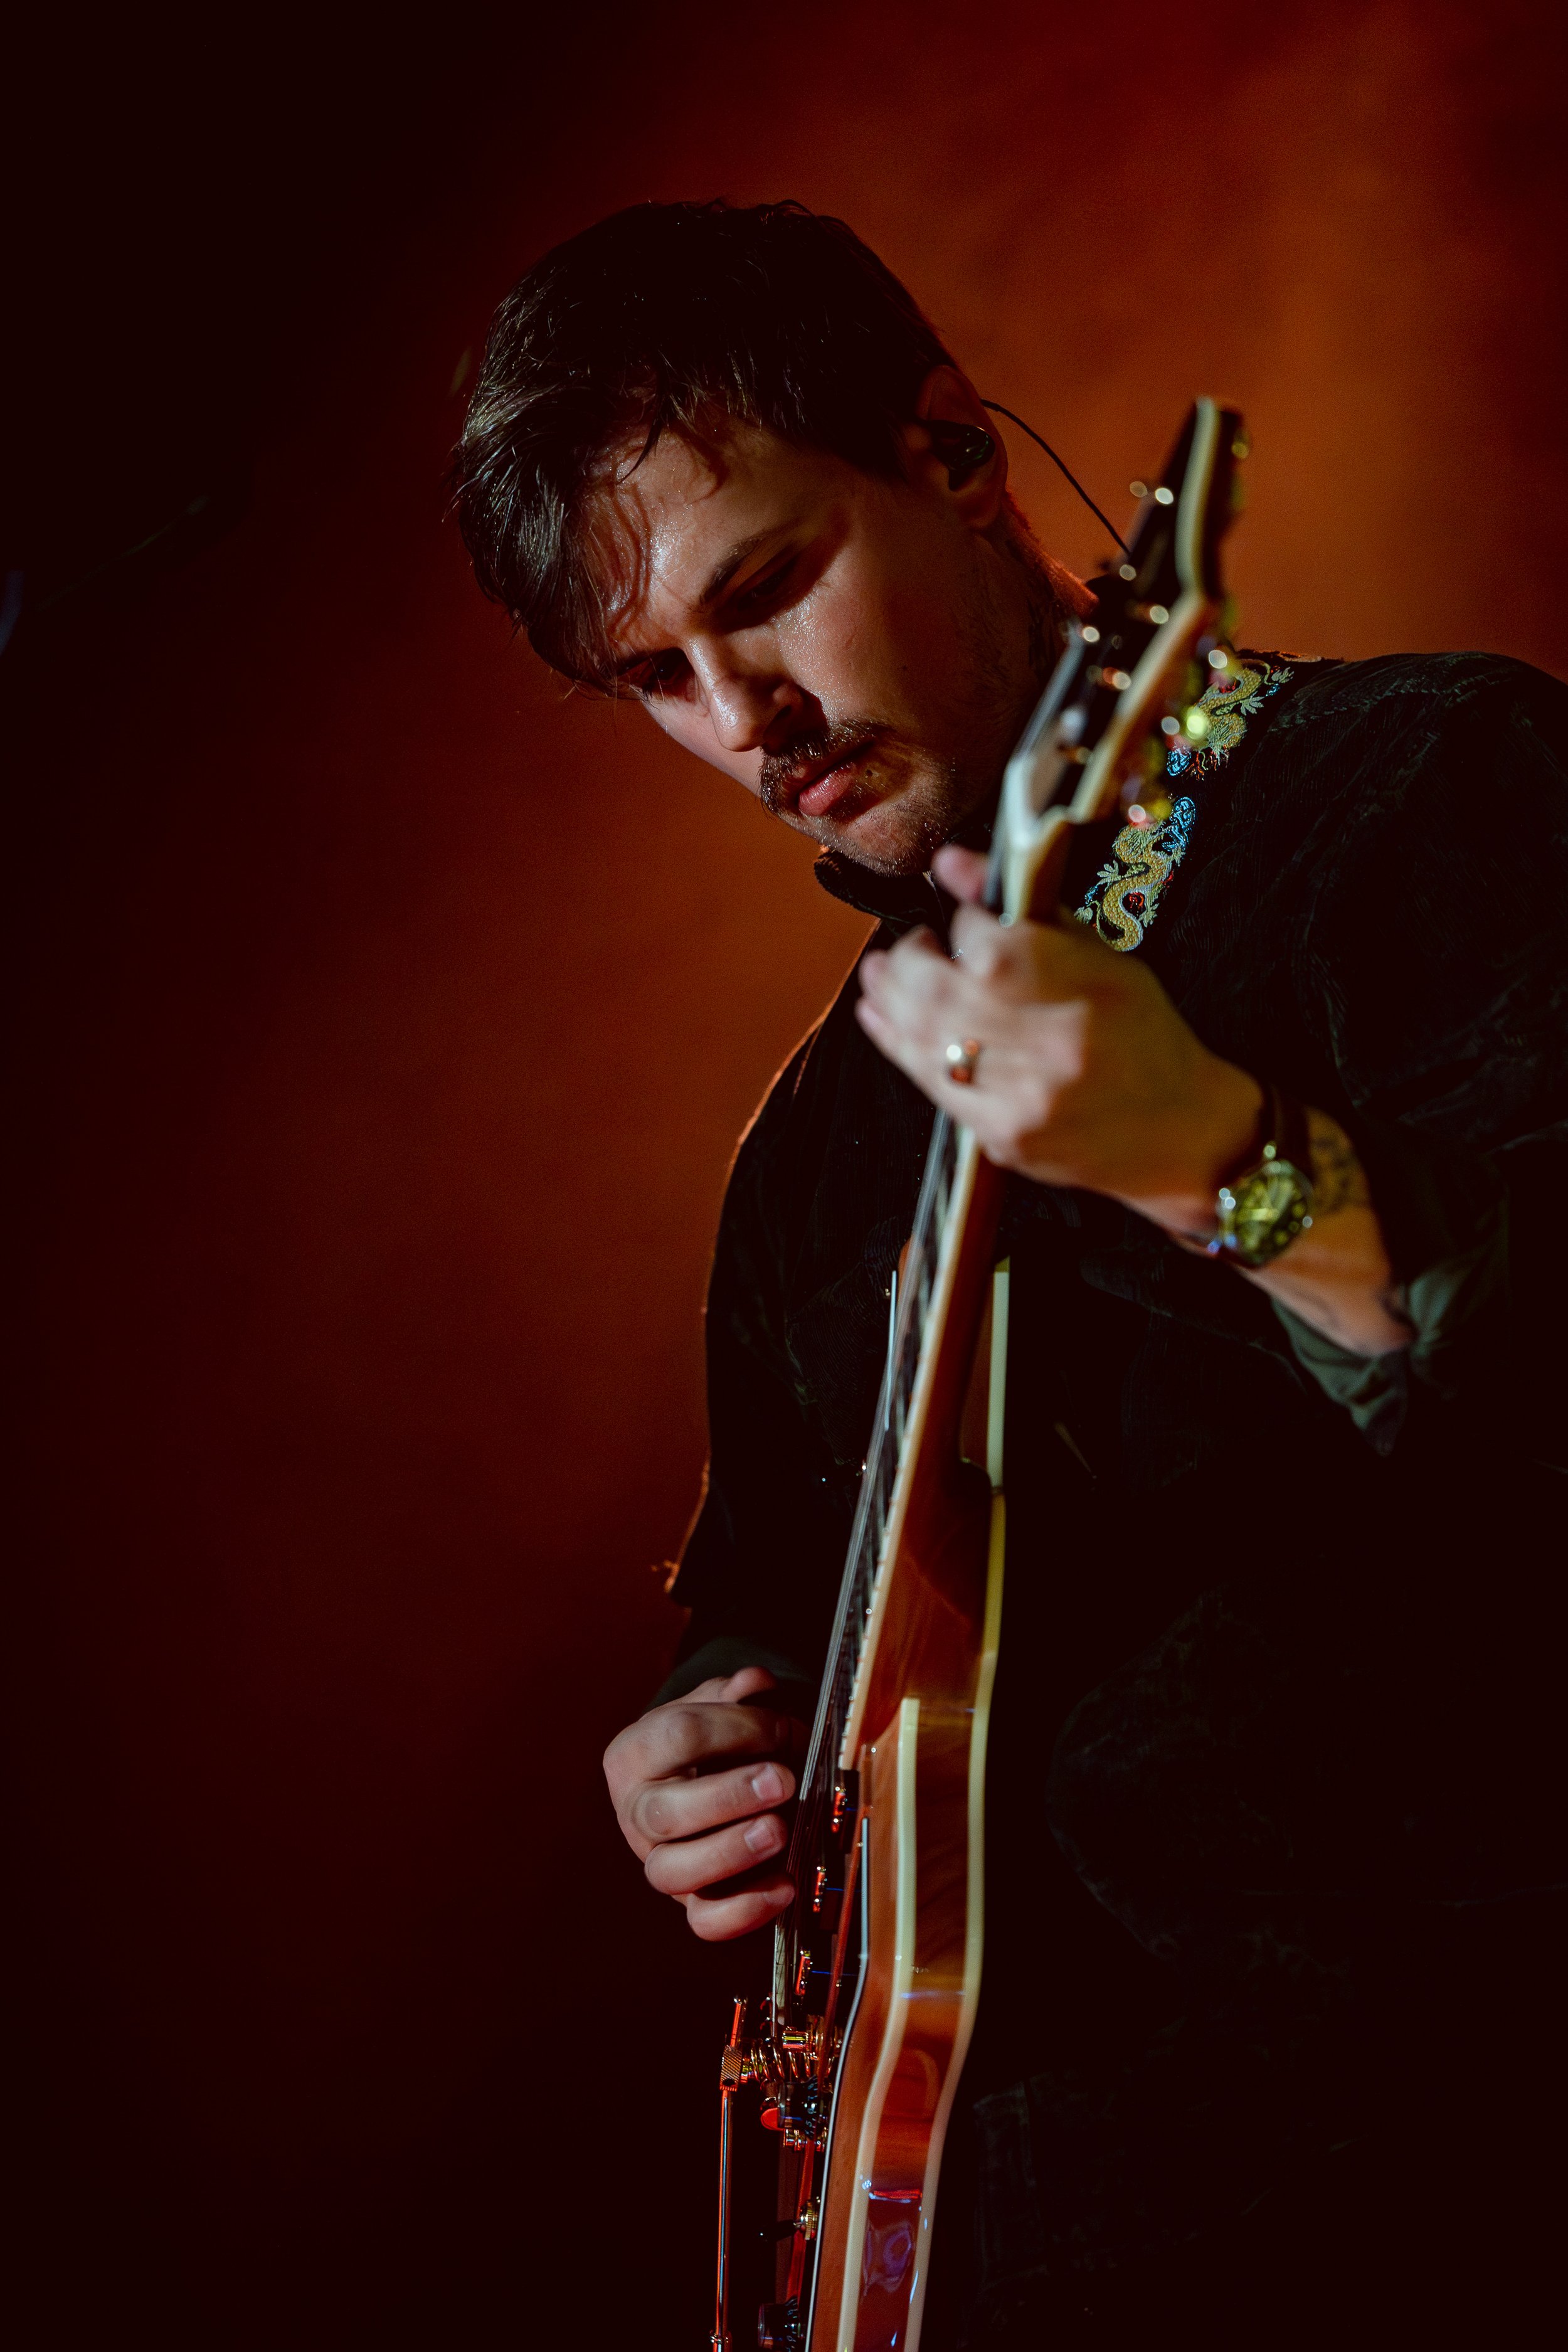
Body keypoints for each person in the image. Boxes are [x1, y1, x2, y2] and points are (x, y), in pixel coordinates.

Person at [451, 200, 1567, 2341]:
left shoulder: (1426, 794)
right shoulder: (815, 1146)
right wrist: (696, 1750)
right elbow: (783, 1597)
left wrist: (1222, 1168)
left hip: (1449, 2157)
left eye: (762, 591)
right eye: (654, 682)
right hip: (1014, 2230)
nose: (740, 716)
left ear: (950, 456)